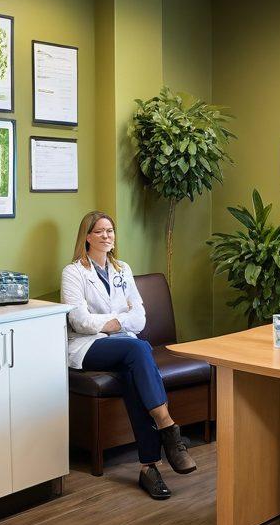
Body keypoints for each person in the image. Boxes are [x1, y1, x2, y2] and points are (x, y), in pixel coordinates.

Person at [61, 211, 197, 499]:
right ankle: (168, 427)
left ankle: (149, 467)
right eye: (99, 231)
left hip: (122, 345)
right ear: (87, 237)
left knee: (131, 371)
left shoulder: (122, 269)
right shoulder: (73, 272)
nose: (107, 236)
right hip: (88, 348)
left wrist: (116, 322)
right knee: (139, 348)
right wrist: (119, 318)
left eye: (110, 231)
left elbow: (140, 318)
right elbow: (80, 322)